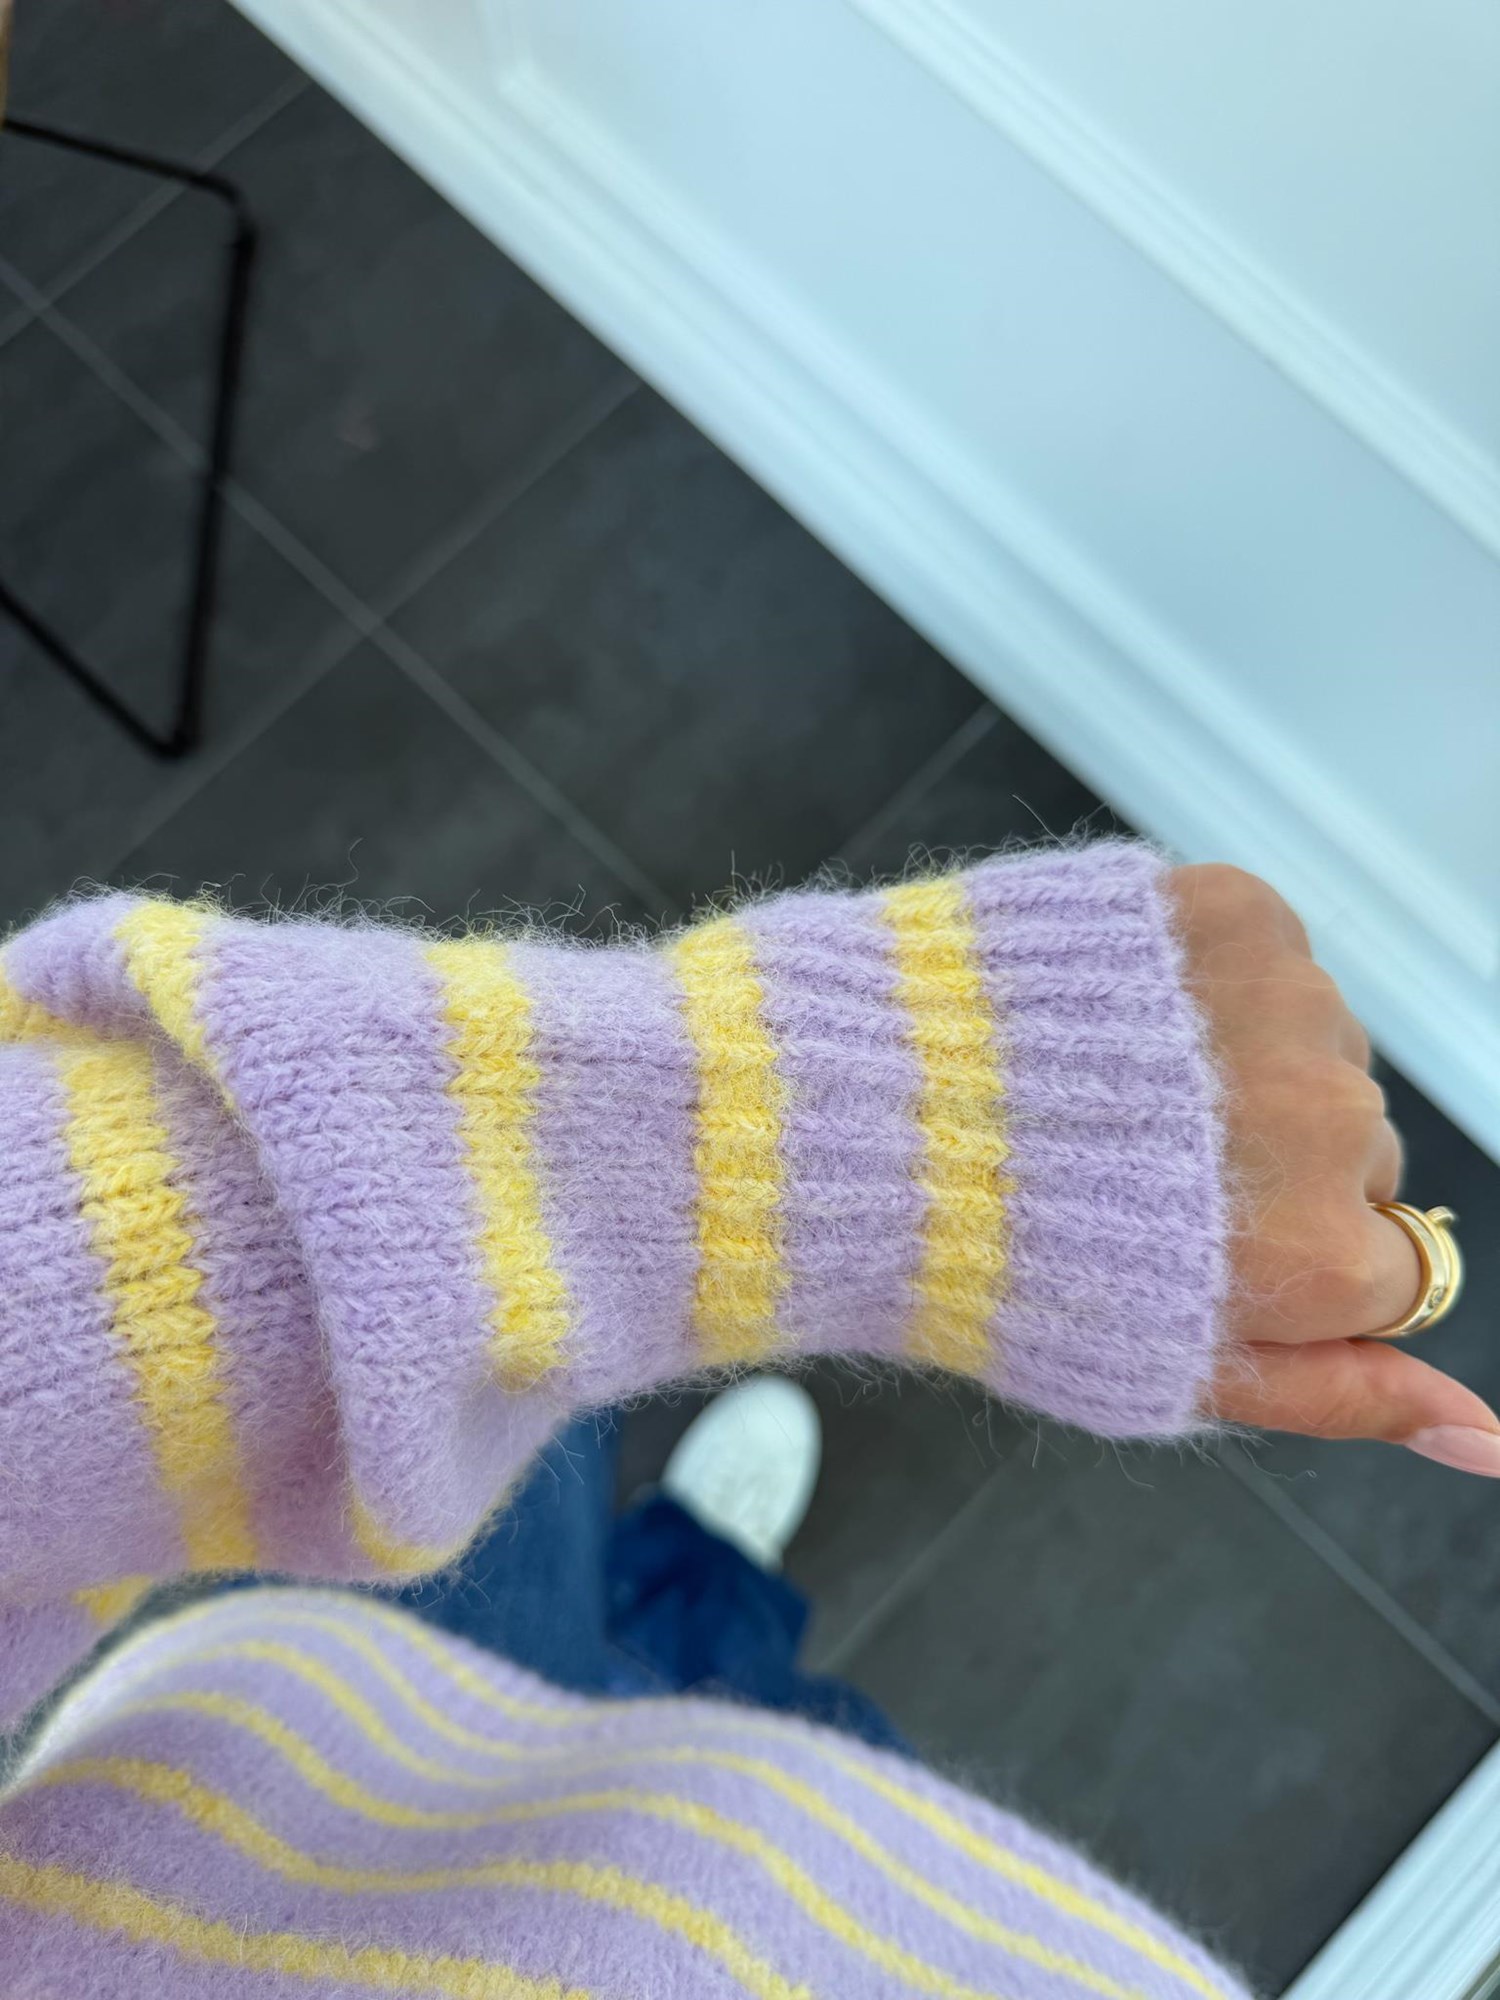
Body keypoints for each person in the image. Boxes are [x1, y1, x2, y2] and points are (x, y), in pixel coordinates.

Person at [0, 838, 1479, 1998]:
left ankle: (684, 1567)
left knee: (520, 1436)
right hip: (853, 1873)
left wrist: (845, 1109)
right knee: (740, 1679)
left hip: (318, 1780)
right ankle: (705, 1582)